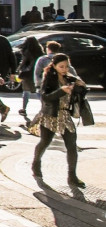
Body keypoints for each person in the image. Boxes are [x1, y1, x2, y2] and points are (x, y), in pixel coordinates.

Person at [32, 53, 88, 189]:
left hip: (64, 114)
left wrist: (82, 87)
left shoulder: (70, 78)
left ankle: (72, 176)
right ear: (54, 66)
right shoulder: (49, 78)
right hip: (50, 115)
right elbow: (45, 97)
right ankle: (36, 163)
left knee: (72, 146)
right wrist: (61, 90)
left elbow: (79, 96)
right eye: (61, 66)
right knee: (45, 142)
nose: (64, 69)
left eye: (66, 66)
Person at [17, 35, 43, 125]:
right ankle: (44, 106)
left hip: (27, 74)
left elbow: (24, 62)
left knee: (26, 92)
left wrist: (19, 70)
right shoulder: (40, 51)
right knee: (37, 91)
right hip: (36, 73)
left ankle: (24, 108)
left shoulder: (26, 51)